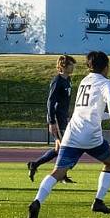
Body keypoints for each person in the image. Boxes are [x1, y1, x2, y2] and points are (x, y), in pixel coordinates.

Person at [27, 51, 110, 218]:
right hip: (91, 135)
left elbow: (90, 111)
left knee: (57, 172)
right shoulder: (106, 82)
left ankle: (37, 201)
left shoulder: (84, 81)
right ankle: (98, 201)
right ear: (105, 67)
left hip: (73, 132)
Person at [26, 55, 77, 183]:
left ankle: (35, 165)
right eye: (71, 64)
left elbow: (66, 101)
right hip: (57, 118)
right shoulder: (57, 80)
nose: (73, 67)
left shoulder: (68, 80)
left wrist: (68, 114)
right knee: (64, 147)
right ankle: (61, 175)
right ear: (63, 66)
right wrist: (52, 121)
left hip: (63, 117)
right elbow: (51, 101)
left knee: (58, 149)